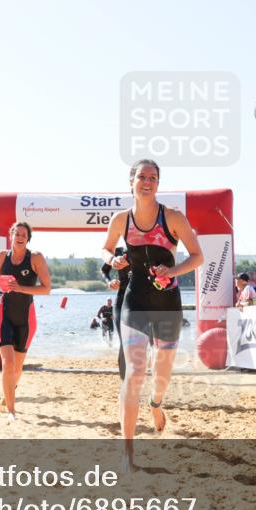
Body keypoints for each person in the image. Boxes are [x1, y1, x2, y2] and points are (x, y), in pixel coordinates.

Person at [101, 159, 203, 472]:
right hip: (135, 299)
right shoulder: (121, 220)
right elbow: (105, 250)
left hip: (167, 301)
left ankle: (156, 404)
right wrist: (114, 260)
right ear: (131, 182)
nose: (147, 182)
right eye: (142, 177)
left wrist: (172, 270)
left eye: (153, 178)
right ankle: (127, 453)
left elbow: (198, 256)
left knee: (162, 373)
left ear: (158, 184)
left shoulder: (172, 217)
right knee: (134, 373)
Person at [0, 221, 52, 421]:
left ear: (28, 239)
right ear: (11, 235)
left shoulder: (35, 258)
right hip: (4, 314)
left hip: (26, 317)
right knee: (8, 363)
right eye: (16, 233)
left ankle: (6, 395)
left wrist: (20, 288)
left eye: (23, 235)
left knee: (17, 368)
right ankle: (11, 411)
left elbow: (46, 288)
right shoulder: (0, 257)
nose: (19, 237)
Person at [102, 246, 131, 379]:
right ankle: (125, 384)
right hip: (122, 300)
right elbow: (104, 270)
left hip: (144, 300)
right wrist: (109, 282)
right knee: (124, 342)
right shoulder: (118, 251)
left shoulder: (147, 248)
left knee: (142, 345)